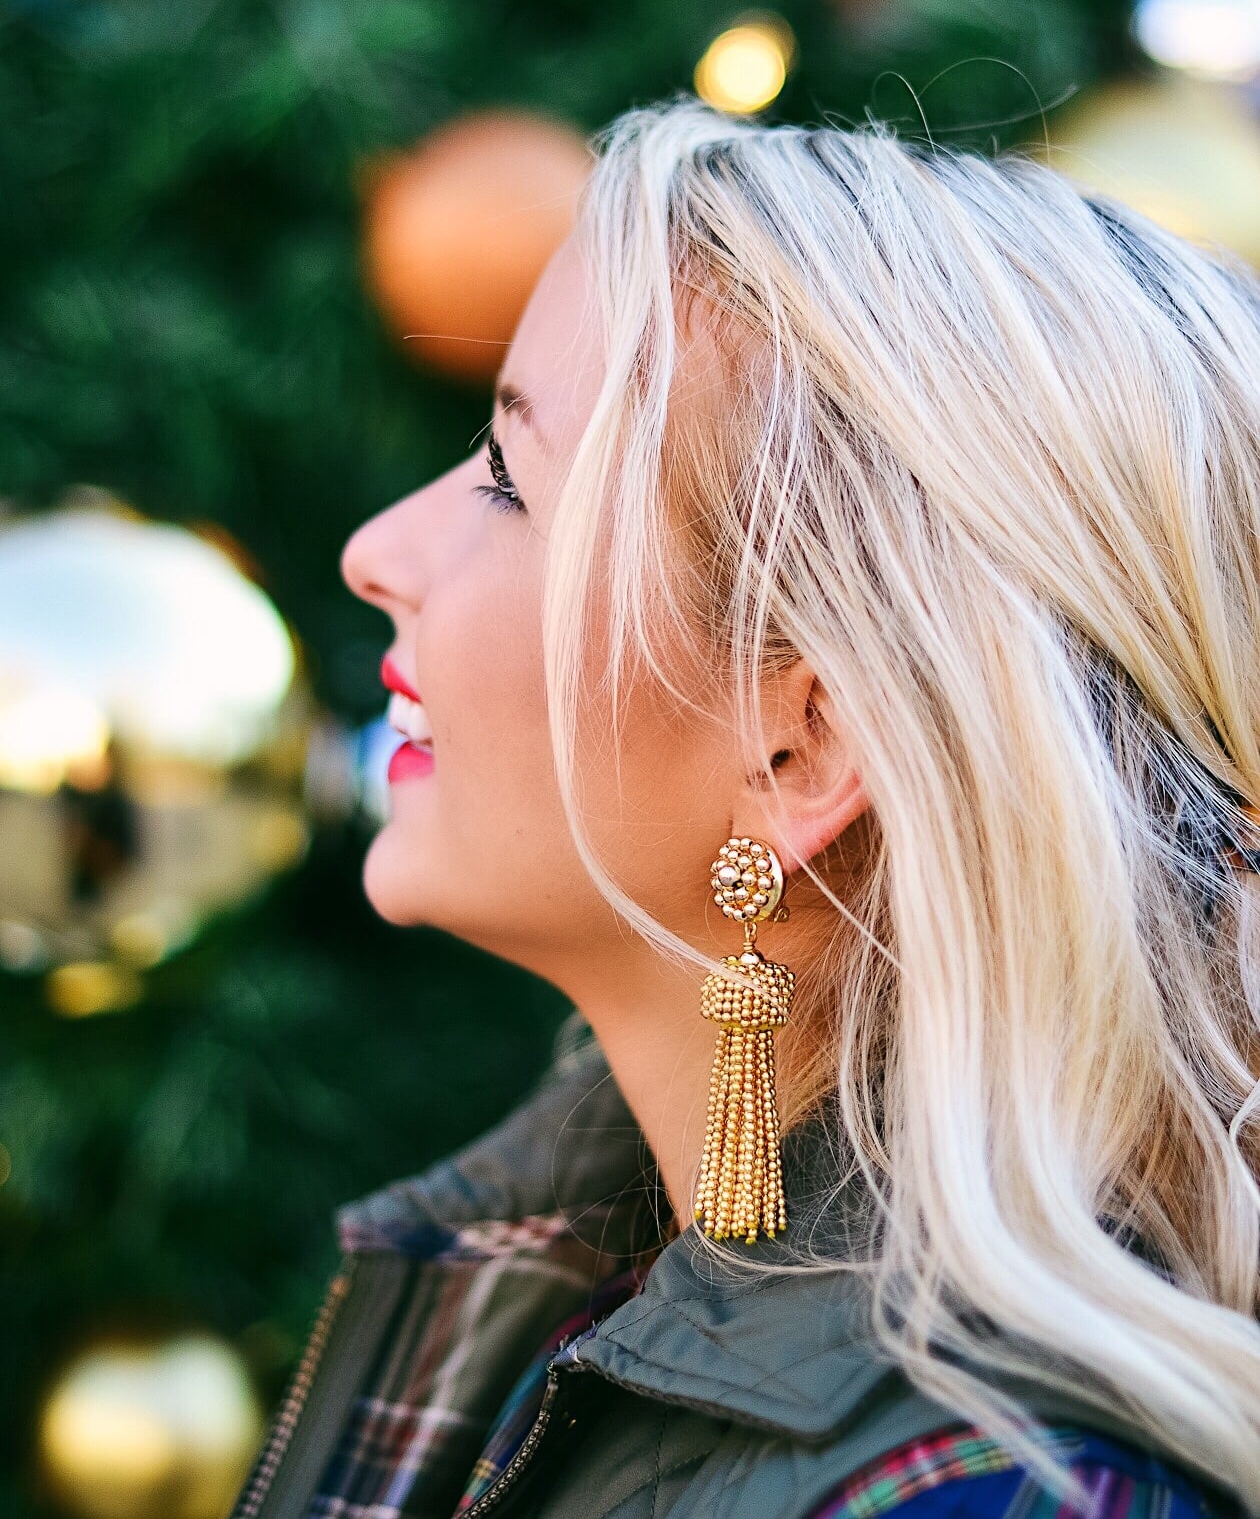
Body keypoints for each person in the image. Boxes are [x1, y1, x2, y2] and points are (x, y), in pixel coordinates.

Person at [231, 99, 1260, 1519]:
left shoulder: (988, 1498)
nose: (375, 550)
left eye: (509, 481)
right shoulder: (582, 1275)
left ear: (802, 752)